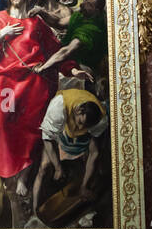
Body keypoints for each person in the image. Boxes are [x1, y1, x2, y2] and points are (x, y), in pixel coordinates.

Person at [0, 0, 84, 195]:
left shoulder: (36, 22)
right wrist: (0, 34)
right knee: (1, 123)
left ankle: (24, 175)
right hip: (2, 79)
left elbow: (54, 49)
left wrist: (72, 70)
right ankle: (0, 173)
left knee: (32, 127)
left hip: (32, 79)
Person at [33, 88, 107, 217]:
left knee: (92, 165)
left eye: (85, 126)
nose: (80, 128)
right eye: (80, 123)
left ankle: (84, 186)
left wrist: (84, 186)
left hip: (79, 141)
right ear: (78, 111)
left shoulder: (100, 119)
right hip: (58, 132)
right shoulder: (58, 107)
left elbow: (94, 153)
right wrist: (57, 168)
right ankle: (35, 209)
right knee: (44, 168)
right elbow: (48, 139)